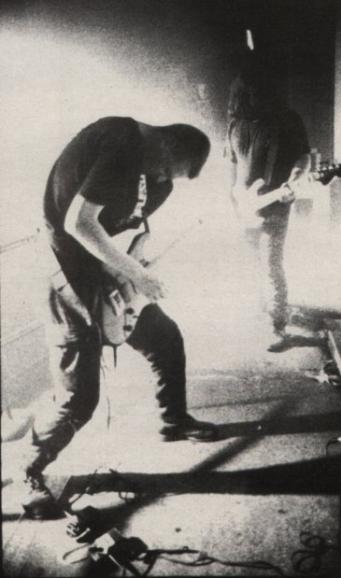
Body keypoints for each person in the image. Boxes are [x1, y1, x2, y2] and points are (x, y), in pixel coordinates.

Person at [20, 116, 217, 519]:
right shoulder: (120, 141)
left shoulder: (156, 179)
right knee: (79, 398)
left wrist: (135, 264)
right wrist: (138, 275)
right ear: (166, 143)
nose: (164, 180)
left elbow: (132, 231)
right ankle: (26, 469)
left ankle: (174, 420)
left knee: (164, 337)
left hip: (104, 274)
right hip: (65, 276)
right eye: (167, 170)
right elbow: (79, 223)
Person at [225, 62, 310, 351]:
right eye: (246, 92)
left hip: (274, 204)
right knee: (250, 263)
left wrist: (294, 181)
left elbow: (302, 157)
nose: (252, 97)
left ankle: (277, 325)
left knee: (271, 264)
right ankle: (259, 310)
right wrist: (234, 195)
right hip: (244, 204)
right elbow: (231, 164)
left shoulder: (287, 120)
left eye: (257, 91)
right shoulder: (235, 124)